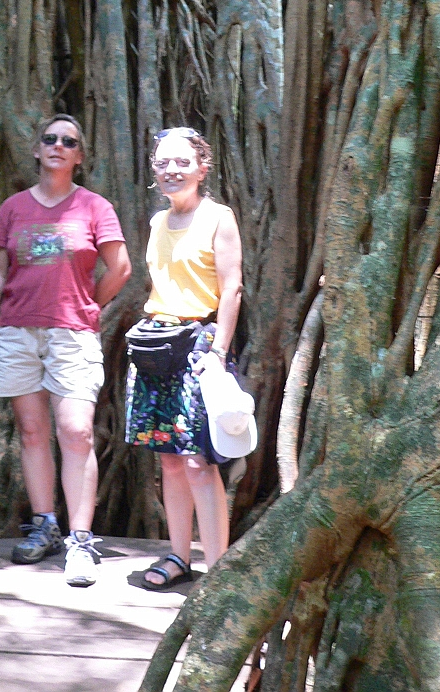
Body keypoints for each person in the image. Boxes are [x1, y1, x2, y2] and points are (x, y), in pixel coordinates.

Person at [0, 114, 131, 587]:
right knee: (32, 429)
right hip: (18, 331)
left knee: (76, 430)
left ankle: (80, 540)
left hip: (71, 335)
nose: (59, 146)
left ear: (79, 157)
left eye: (70, 141)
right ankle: (45, 524)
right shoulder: (15, 208)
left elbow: (119, 268)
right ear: (38, 150)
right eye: (50, 139)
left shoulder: (94, 207)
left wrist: (87, 306)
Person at [125, 127, 243, 589]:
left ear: (202, 167)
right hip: (157, 345)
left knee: (199, 461)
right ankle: (178, 557)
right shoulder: (157, 222)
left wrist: (219, 352)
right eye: (163, 163)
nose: (171, 170)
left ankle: (218, 571)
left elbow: (231, 288)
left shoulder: (219, 217)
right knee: (169, 458)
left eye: (182, 162)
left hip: (198, 344)